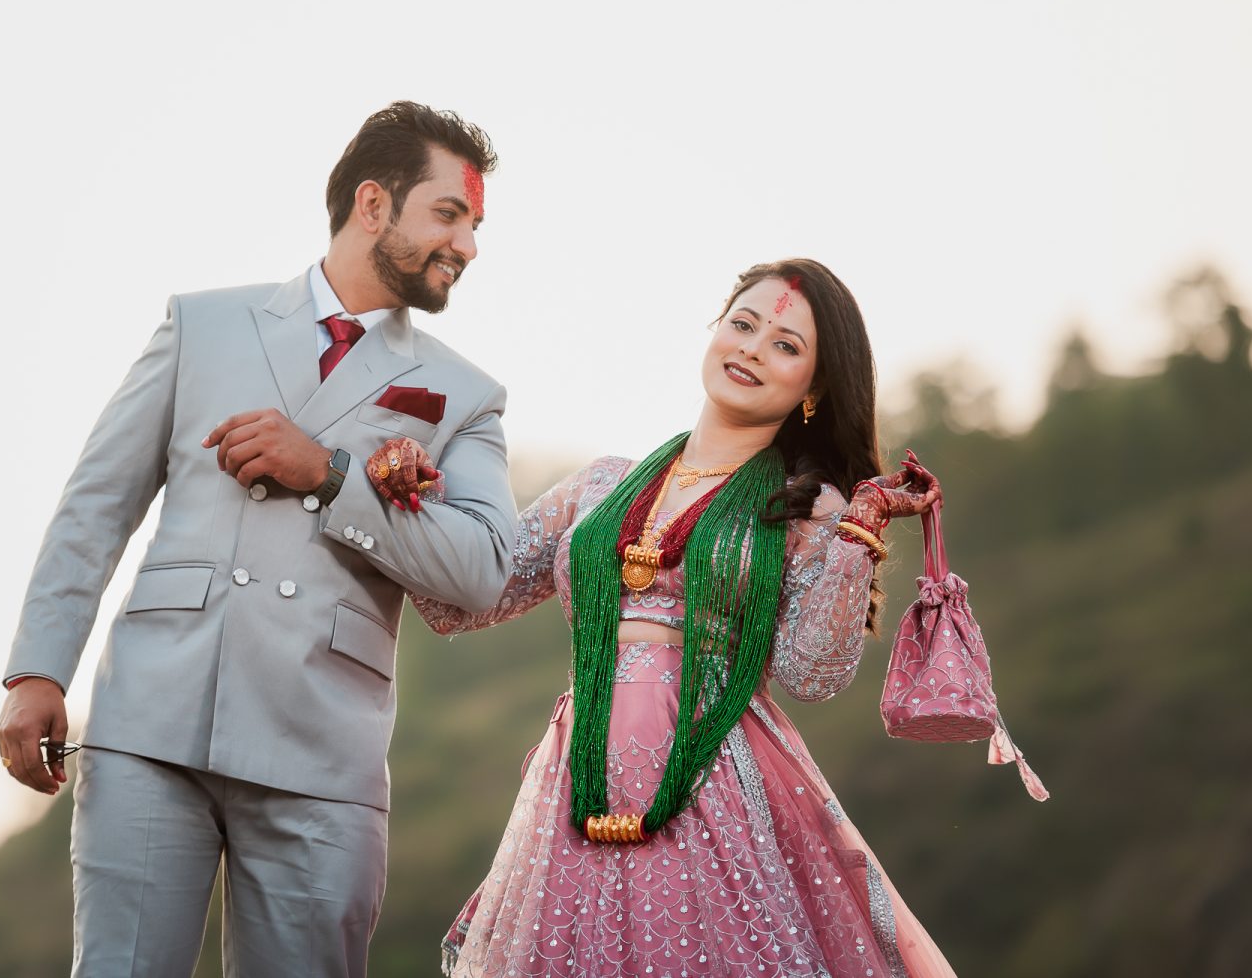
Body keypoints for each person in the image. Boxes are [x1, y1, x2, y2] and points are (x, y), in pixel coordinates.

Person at [0, 101, 519, 978]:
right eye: (450, 213)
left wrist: (333, 476)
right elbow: (96, 506)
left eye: (474, 224)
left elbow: (483, 573)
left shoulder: (465, 396)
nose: (468, 245)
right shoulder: (203, 324)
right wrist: (37, 671)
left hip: (325, 755)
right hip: (152, 726)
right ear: (373, 203)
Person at [366, 260, 957, 977]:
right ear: (714, 331)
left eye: (785, 345)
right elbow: (465, 599)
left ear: (816, 388)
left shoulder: (808, 508)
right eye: (743, 325)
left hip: (712, 774)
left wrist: (860, 530)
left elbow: (812, 673)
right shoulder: (604, 484)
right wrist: (403, 491)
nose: (751, 348)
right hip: (581, 772)